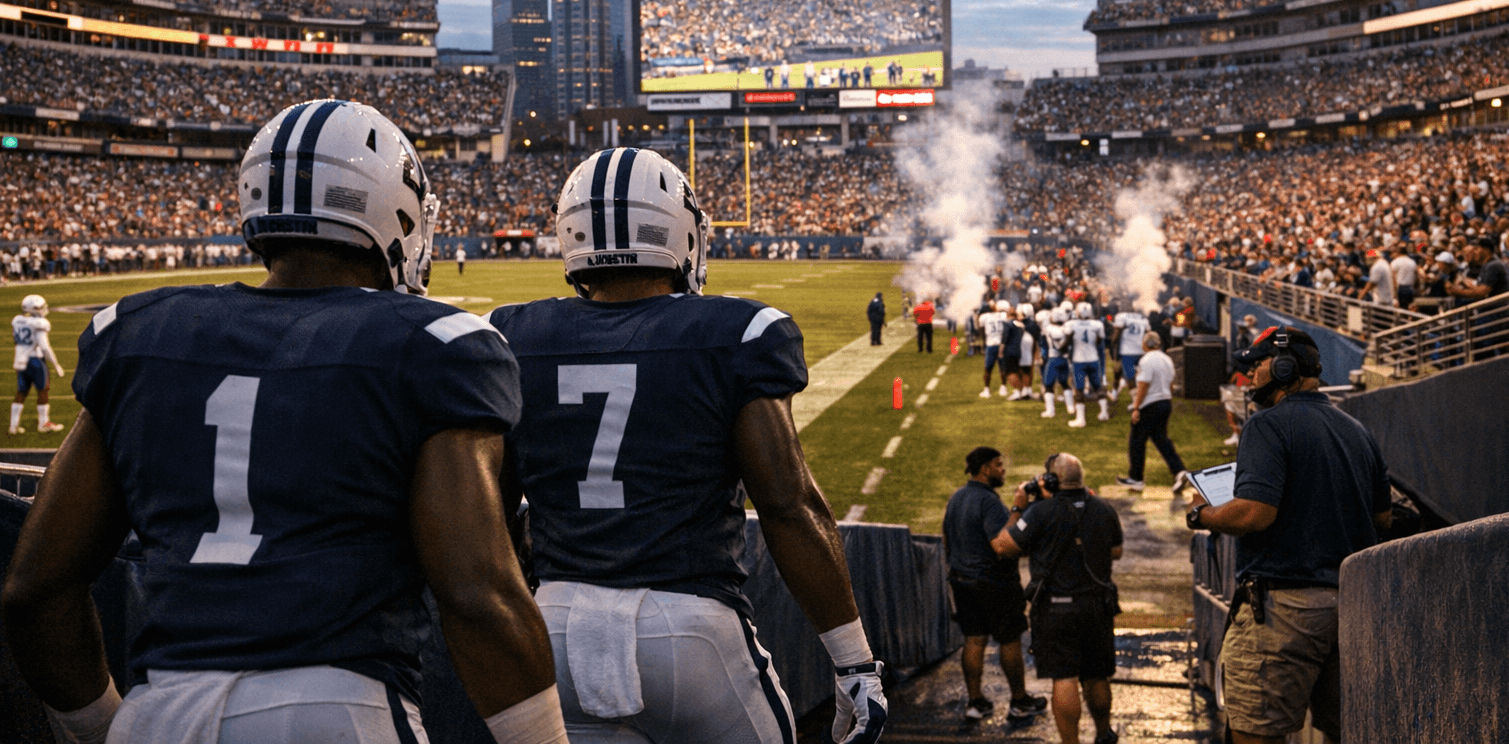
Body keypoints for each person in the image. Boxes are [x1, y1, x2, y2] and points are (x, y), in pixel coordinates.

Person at [1, 101, 568, 744]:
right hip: (336, 706)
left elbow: (35, 590)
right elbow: (475, 594)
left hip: (162, 707)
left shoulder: (139, 334)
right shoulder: (437, 343)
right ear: (395, 212)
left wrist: (102, 729)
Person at [488, 147, 887, 744]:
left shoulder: (510, 334)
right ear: (681, 233)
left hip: (557, 626)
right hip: (690, 625)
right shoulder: (736, 332)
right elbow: (788, 504)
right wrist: (853, 662)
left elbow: (488, 516)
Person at [1186, 326, 1391, 744]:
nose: (1249, 376)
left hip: (1283, 610)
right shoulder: (1357, 430)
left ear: (1284, 366)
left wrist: (1201, 514)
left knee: (1255, 734)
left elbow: (1254, 513)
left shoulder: (1266, 425)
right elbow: (1383, 519)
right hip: (1351, 606)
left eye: (1257, 365)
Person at [990, 454, 1122, 744]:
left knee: (1065, 678)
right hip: (1097, 606)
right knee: (1097, 675)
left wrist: (1019, 507)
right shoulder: (1103, 507)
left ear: (1052, 479)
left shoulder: (1040, 512)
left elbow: (1002, 546)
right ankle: (1103, 734)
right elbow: (1116, 551)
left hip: (1056, 610)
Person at [941, 448, 1048, 725]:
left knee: (974, 639)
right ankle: (1019, 701)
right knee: (1009, 639)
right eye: (999, 465)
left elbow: (946, 540)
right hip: (994, 583)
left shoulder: (957, 497)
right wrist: (1018, 509)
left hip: (962, 581)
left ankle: (975, 702)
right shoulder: (989, 502)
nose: (1003, 470)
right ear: (985, 468)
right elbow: (1003, 545)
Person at [1114, 332, 1190, 493]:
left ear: (1145, 344)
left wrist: (1136, 407)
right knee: (1161, 439)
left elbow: (1143, 385)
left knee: (1137, 440)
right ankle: (1179, 471)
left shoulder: (1146, 360)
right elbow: (1171, 384)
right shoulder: (1167, 359)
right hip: (1165, 402)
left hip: (1150, 404)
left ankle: (1136, 478)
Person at [11, 294, 66, 435]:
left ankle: (13, 426)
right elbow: (45, 347)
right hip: (35, 360)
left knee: (21, 392)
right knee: (43, 390)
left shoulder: (17, 320)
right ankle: (44, 424)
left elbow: (17, 340)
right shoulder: (40, 324)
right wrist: (56, 364)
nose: (44, 309)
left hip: (20, 360)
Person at [1064, 303, 1106, 426]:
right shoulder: (1097, 324)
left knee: (1079, 389)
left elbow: (1068, 341)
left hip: (1079, 360)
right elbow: (1099, 341)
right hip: (1093, 358)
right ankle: (1104, 412)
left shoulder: (1071, 324)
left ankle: (1081, 419)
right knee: (1098, 386)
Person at [1040, 308, 1073, 420]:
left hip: (1053, 359)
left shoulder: (1048, 328)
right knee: (1064, 383)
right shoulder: (1066, 328)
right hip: (1065, 359)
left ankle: (1050, 411)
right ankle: (1070, 407)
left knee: (1048, 385)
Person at [1110, 306, 1148, 399]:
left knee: (1130, 378)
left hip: (1128, 352)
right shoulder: (1143, 319)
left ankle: (1136, 401)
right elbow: (1147, 333)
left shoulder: (1122, 317)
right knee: (1117, 370)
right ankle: (1114, 393)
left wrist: (1113, 341)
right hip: (1141, 351)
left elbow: (1116, 334)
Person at [977, 300, 1010, 398]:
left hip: (992, 344)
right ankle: (1002, 388)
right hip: (1000, 344)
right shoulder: (1003, 315)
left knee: (989, 368)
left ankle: (988, 389)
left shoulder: (984, 317)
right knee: (1001, 367)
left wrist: (984, 343)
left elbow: (981, 331)